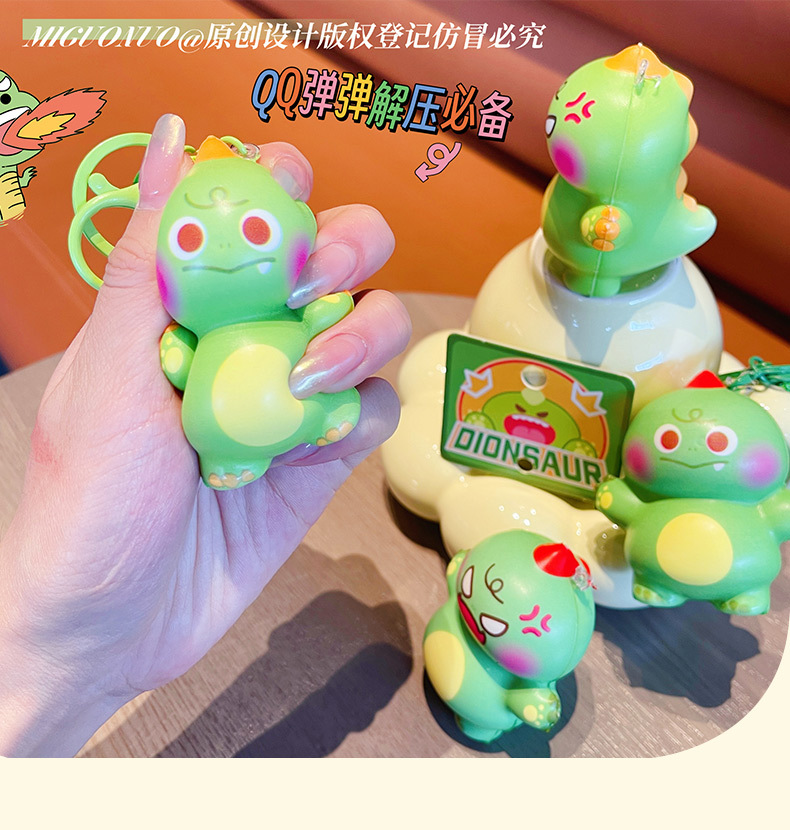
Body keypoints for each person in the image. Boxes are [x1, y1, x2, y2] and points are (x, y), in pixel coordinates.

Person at [0, 114, 412, 757]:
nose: (226, 252)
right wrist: (57, 656)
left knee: (335, 398)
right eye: (191, 237)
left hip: (292, 407)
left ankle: (323, 413)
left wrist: (326, 309)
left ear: (297, 230)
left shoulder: (291, 308)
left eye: (256, 229)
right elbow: (176, 356)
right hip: (219, 450)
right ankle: (253, 448)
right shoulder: (185, 331)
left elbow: (326, 307)